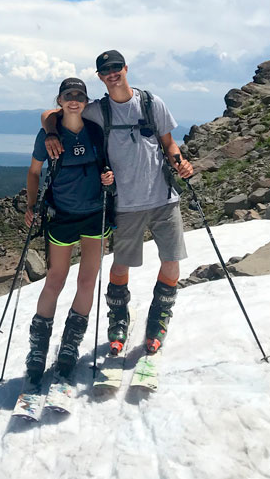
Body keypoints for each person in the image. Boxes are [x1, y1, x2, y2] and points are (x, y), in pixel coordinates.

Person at [42, 50, 194, 355]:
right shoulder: (98, 110)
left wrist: (179, 160)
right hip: (124, 203)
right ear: (100, 76)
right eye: (105, 70)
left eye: (116, 67)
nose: (112, 73)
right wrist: (49, 132)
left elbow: (168, 142)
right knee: (121, 265)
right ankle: (118, 318)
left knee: (171, 261)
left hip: (163, 196)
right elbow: (52, 114)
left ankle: (158, 319)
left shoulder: (151, 103)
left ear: (125, 68)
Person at [23, 77, 115, 386]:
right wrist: (31, 205)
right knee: (55, 279)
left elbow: (107, 166)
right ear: (60, 100)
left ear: (86, 101)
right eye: (68, 95)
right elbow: (34, 172)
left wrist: (108, 180)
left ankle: (70, 345)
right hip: (62, 215)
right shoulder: (48, 133)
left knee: (87, 280)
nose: (74, 100)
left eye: (79, 95)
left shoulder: (94, 131)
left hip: (94, 214)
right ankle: (38, 349)